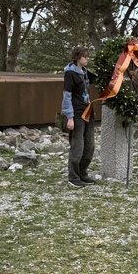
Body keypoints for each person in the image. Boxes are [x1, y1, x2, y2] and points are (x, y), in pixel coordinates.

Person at [62, 46, 97, 187]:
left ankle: (83, 173)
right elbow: (67, 96)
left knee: (90, 146)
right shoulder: (70, 74)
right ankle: (73, 177)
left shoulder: (86, 73)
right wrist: (69, 116)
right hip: (77, 114)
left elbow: (100, 79)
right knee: (78, 145)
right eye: (84, 56)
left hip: (88, 112)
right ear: (77, 57)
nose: (87, 58)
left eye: (88, 56)